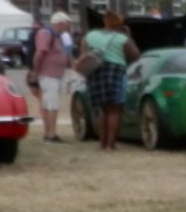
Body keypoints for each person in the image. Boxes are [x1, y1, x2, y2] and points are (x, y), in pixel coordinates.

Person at [80, 11, 140, 152]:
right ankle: (111, 145)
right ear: (119, 23)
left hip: (96, 72)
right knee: (115, 109)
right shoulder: (121, 38)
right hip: (116, 71)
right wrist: (129, 36)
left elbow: (84, 54)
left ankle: (102, 144)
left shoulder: (90, 35)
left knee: (103, 109)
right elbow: (135, 55)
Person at [31, 12, 73, 142]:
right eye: (67, 24)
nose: (69, 26)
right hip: (48, 75)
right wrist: (35, 72)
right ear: (60, 23)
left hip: (54, 75)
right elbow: (39, 53)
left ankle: (48, 132)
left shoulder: (58, 36)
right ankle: (51, 134)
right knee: (52, 104)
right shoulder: (46, 34)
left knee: (48, 103)